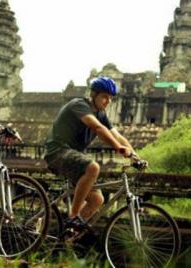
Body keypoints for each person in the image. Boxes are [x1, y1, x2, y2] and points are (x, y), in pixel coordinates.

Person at [44, 76, 139, 231]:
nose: (107, 101)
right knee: (93, 167)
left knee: (97, 200)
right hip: (57, 151)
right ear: (93, 95)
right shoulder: (79, 105)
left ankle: (68, 236)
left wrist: (135, 156)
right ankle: (73, 216)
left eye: (110, 98)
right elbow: (98, 128)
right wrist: (118, 148)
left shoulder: (101, 115)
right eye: (104, 97)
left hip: (74, 157)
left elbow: (118, 136)